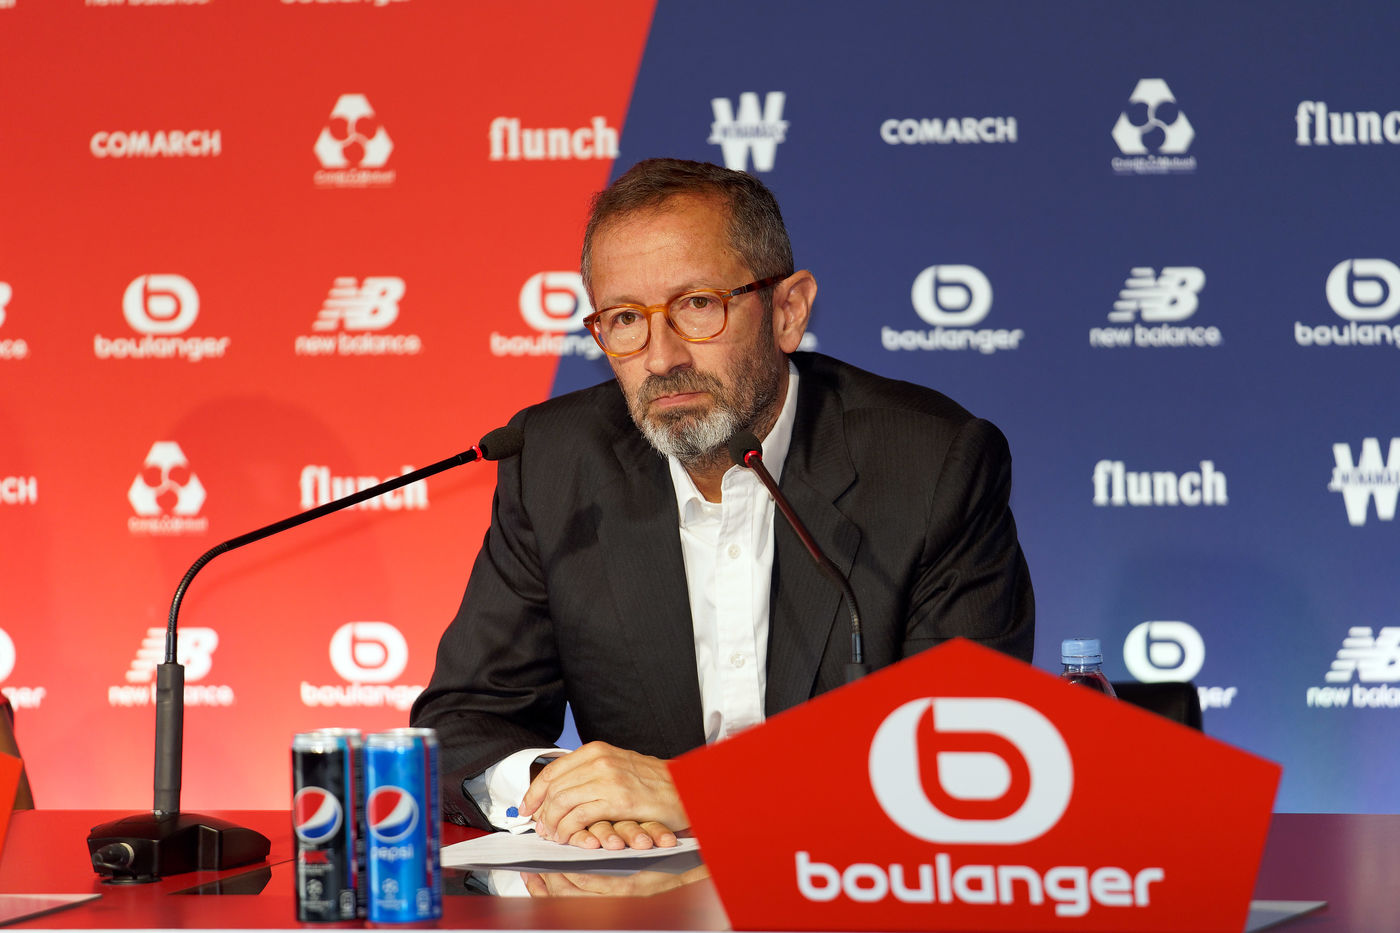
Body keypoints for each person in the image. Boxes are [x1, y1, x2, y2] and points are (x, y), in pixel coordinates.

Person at [410, 158, 1033, 851]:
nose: (661, 357)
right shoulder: (557, 463)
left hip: (858, 881)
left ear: (788, 311)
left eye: (698, 305)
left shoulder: (931, 463)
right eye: (625, 318)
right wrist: (563, 787)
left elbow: (965, 741)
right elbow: (461, 725)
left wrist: (701, 793)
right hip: (643, 891)